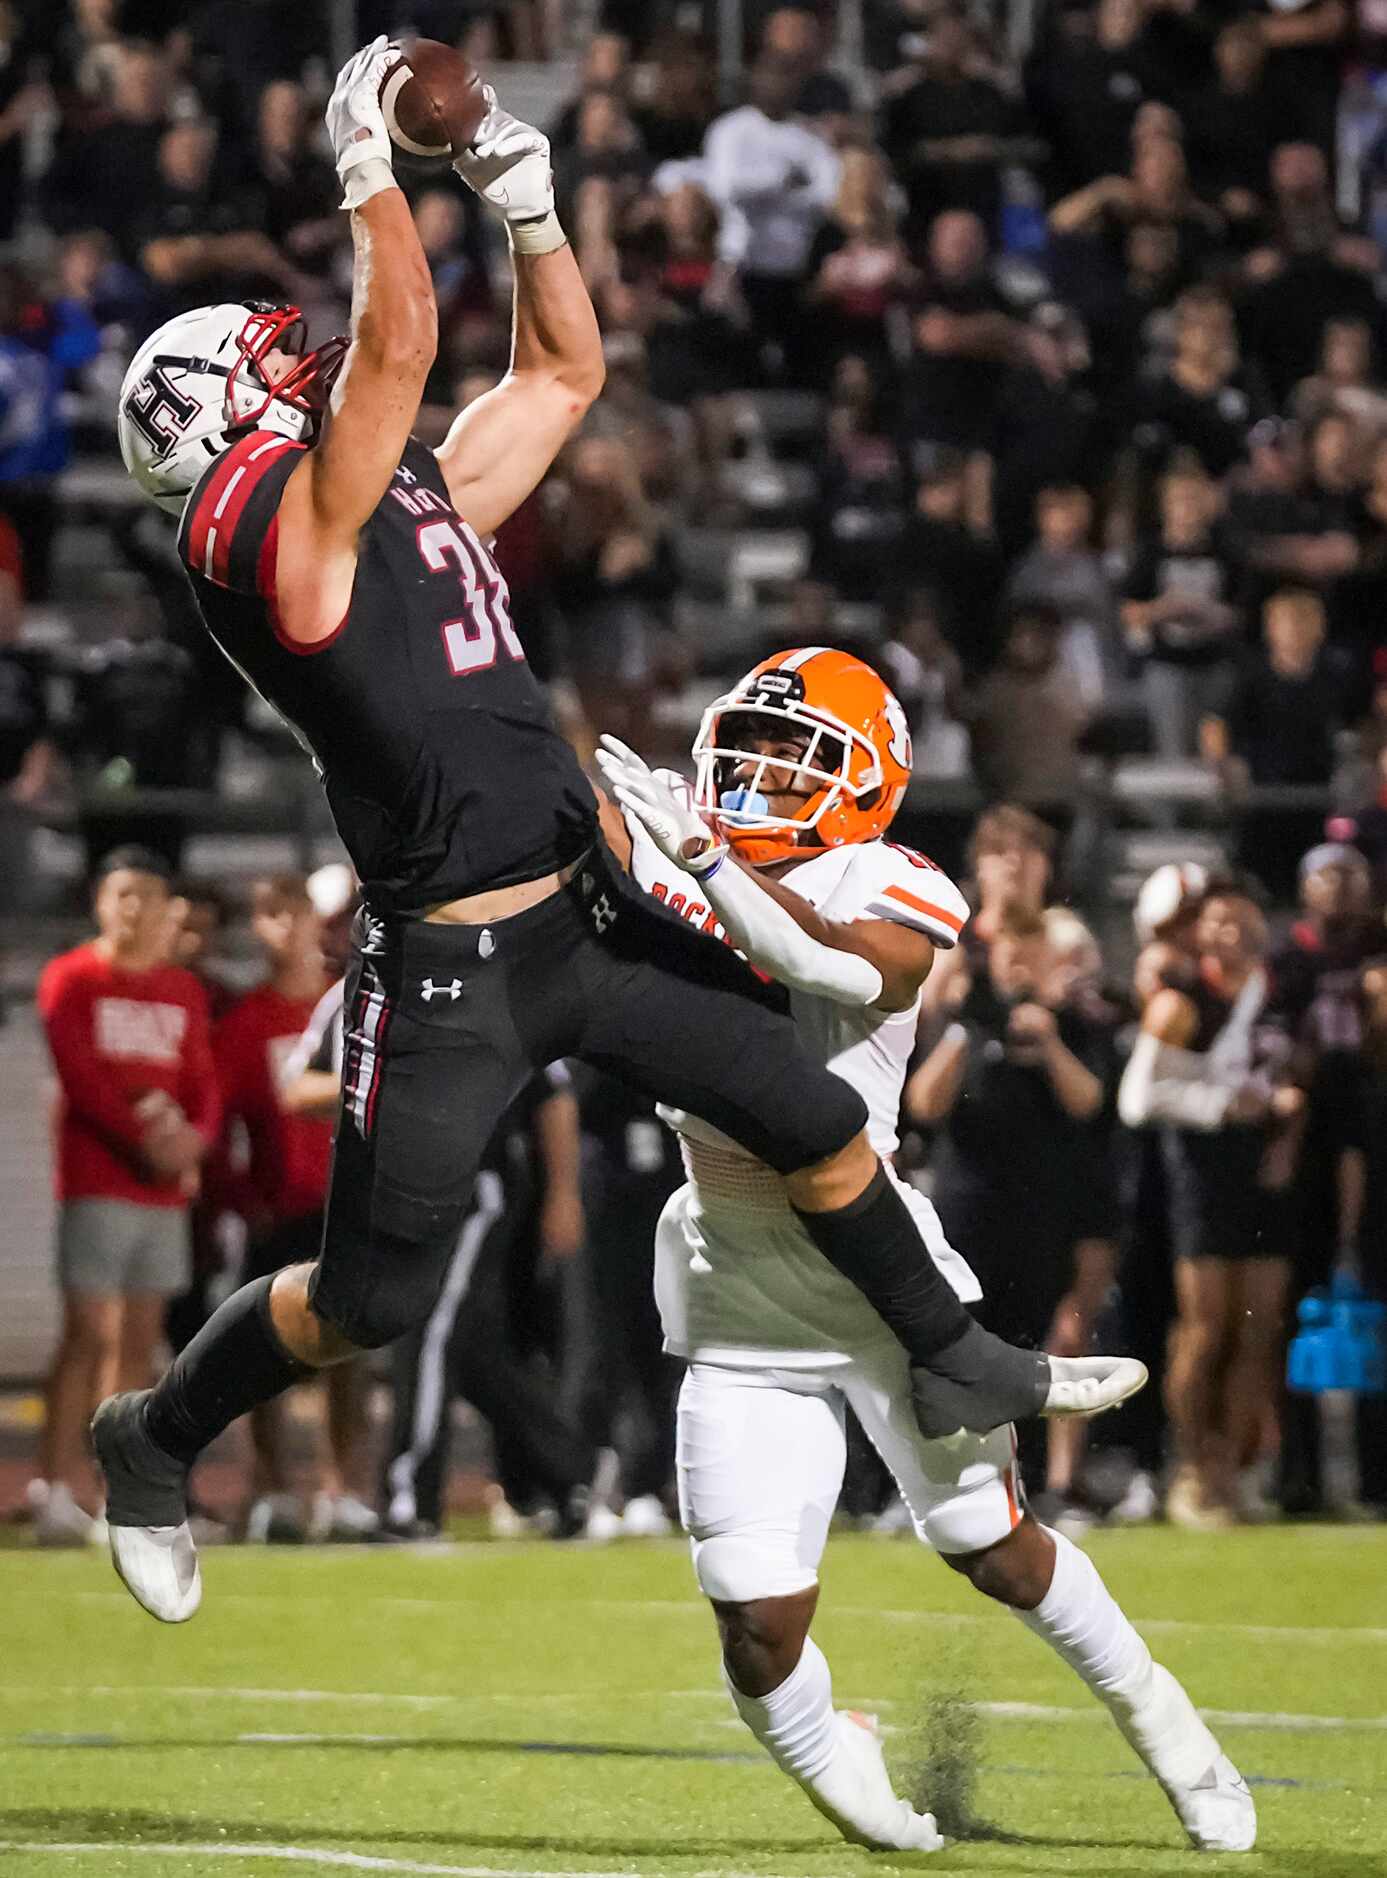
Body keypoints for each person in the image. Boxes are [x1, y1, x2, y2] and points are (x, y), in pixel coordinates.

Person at [101, 41, 1133, 1626]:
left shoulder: (381, 495)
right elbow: (390, 358)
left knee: (803, 1105)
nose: (297, 363)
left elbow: (561, 379)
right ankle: (153, 1434)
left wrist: (527, 205)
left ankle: (955, 1353)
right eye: (268, 362)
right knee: (369, 1295)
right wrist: (369, 170)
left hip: (585, 907)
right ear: (225, 421)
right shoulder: (260, 541)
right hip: (450, 961)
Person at [596, 650, 1249, 1856]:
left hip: (874, 1272)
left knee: (992, 1549)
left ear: (866, 780)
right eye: (748, 745)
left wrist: (700, 864)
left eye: (796, 756)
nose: (757, 772)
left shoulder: (880, 875)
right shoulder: (667, 846)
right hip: (732, 1273)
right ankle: (842, 1769)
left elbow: (834, 964)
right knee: (750, 1625)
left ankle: (1170, 1730)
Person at [33, 847, 219, 1546]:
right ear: (99, 902)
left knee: (139, 1345)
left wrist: (193, 1143)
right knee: (86, 1333)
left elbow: (204, 1084)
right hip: (99, 1182)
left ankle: (118, 1498)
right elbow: (83, 1080)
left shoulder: (181, 990)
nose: (134, 909)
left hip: (163, 1192)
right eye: (122, 894)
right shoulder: (71, 979)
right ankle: (53, 1485)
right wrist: (149, 1142)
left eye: (147, 894)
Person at [1118, 886, 1304, 1528]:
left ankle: (1242, 1465)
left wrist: (1287, 1133)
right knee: (1207, 1326)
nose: (1229, 930)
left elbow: (1298, 1073)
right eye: (1216, 920)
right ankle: (1195, 1468)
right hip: (1202, 1175)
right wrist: (1224, 1106)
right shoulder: (1182, 1000)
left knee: (1259, 1329)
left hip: (1266, 1175)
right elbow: (1138, 1098)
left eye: (1241, 917)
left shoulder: (1281, 993)